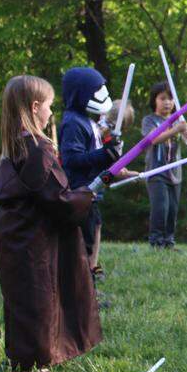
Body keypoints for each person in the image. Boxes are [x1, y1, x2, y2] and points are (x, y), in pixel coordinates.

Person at [0, 75, 101, 372]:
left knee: (23, 298)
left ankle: (28, 363)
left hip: (16, 236)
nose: (52, 113)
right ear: (35, 106)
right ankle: (32, 366)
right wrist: (87, 196)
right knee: (37, 299)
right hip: (29, 239)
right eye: (49, 106)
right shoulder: (36, 148)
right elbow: (57, 199)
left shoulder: (16, 145)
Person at [58, 67, 122, 281]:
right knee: (83, 243)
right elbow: (72, 160)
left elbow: (93, 154)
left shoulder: (87, 121)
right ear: (82, 93)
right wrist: (104, 155)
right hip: (80, 190)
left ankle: (90, 277)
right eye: (96, 89)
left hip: (91, 192)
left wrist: (110, 152)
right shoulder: (73, 123)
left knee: (94, 228)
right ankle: (81, 290)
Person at [141, 82, 187, 250]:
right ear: (154, 100)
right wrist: (176, 130)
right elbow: (153, 139)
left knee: (172, 209)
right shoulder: (149, 120)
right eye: (162, 98)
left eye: (170, 98)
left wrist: (186, 132)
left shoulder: (178, 120)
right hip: (156, 171)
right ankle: (156, 241)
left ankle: (169, 241)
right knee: (160, 207)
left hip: (175, 172)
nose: (167, 102)